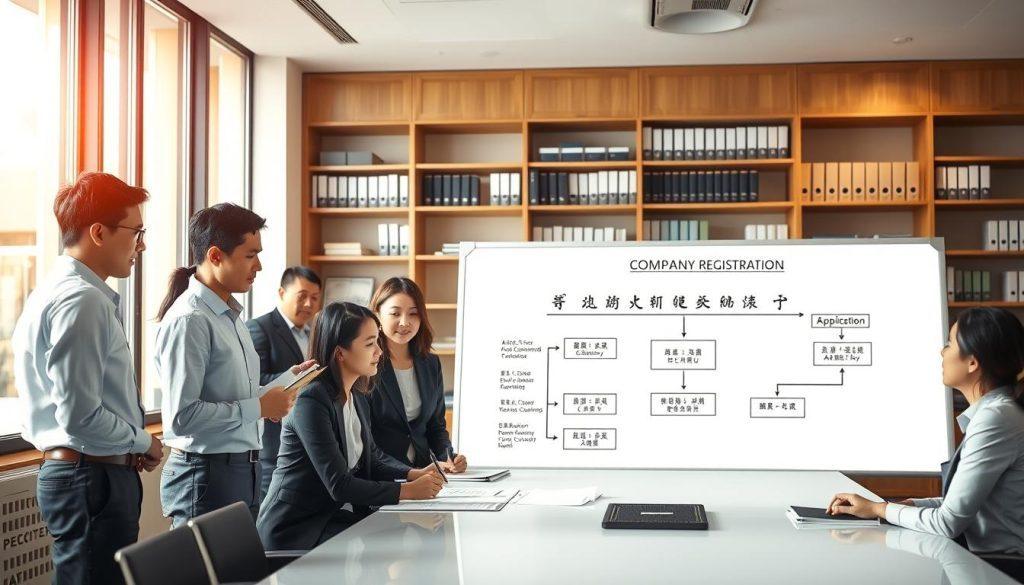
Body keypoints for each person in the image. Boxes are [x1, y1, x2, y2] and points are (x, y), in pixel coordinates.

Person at [13, 172, 163, 584]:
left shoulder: (54, 292)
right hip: (90, 478)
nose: (142, 245)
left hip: (87, 474)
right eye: (137, 232)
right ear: (98, 232)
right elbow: (80, 416)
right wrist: (143, 440)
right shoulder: (82, 301)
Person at [156, 203, 312, 528]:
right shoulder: (191, 320)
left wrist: (279, 387)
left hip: (242, 470)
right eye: (250, 255)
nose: (259, 265)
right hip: (207, 474)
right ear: (215, 256)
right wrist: (257, 406)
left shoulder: (229, 316)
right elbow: (182, 418)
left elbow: (232, 393)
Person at [827, 307, 1024, 554]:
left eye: (950, 343)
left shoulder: (995, 418)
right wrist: (903, 505)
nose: (942, 352)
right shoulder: (997, 413)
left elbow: (948, 522)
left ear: (973, 362)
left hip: (999, 569)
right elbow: (963, 506)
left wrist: (878, 510)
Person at [257, 302, 445, 550]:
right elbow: (338, 484)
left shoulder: (357, 395)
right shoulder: (311, 400)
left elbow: (372, 459)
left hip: (330, 520)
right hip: (296, 531)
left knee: (408, 537)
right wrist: (407, 491)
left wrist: (413, 474)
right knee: (395, 543)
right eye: (369, 344)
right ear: (340, 353)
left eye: (378, 342)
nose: (379, 352)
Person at [367, 277, 467, 472]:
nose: (405, 322)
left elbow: (436, 426)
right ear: (377, 314)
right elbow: (365, 438)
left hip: (424, 472)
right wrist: (408, 475)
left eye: (413, 314)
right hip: (381, 475)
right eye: (395, 313)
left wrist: (448, 456)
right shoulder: (367, 364)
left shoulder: (429, 363)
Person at [247, 266, 323, 501]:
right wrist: (303, 380)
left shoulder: (314, 334)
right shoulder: (259, 328)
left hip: (308, 440)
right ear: (281, 293)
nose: (309, 304)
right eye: (302, 296)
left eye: (315, 298)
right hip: (274, 444)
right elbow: (256, 382)